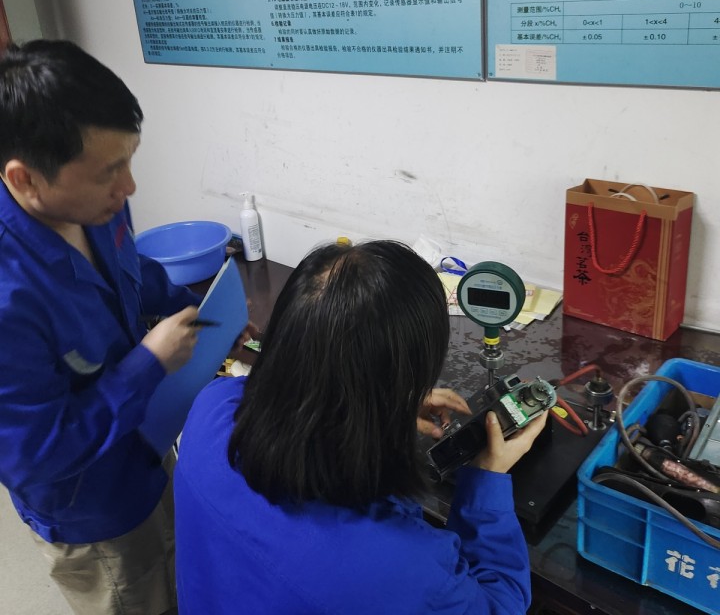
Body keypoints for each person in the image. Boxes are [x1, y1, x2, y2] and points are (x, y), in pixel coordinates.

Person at [174, 239, 548, 614]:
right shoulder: (400, 571)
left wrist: (384, 406)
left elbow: (289, 383)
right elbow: (499, 603)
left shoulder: (210, 408)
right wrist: (486, 479)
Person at [0, 39, 214, 615]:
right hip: (90, 508)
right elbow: (35, 454)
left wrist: (199, 308)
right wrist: (148, 364)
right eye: (109, 172)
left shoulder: (96, 202)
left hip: (145, 443)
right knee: (136, 596)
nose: (129, 188)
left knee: (179, 575)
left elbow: (130, 269)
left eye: (129, 160)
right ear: (25, 179)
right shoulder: (8, 297)